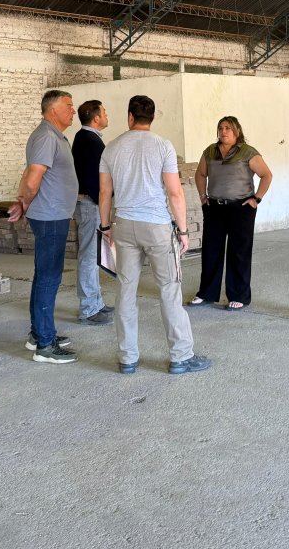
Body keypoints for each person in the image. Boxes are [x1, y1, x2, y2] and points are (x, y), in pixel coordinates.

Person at [98, 95, 210, 375]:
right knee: (169, 289)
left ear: (130, 117)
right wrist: (183, 231)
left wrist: (106, 227)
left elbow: (105, 192)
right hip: (157, 226)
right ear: (152, 117)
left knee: (125, 290)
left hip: (124, 225)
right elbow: (175, 192)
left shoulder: (111, 148)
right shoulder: (163, 146)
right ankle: (180, 356)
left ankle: (127, 358)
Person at [8, 89, 79, 363]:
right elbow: (32, 178)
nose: (73, 110)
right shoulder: (47, 136)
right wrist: (24, 202)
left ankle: (39, 334)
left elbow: (30, 175)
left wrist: (23, 202)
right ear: (53, 110)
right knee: (49, 278)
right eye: (68, 105)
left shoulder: (53, 136)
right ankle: (45, 346)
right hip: (50, 217)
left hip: (53, 214)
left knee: (44, 277)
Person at [190, 116, 273, 310]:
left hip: (241, 208)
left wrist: (257, 198)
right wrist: (203, 196)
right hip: (214, 207)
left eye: (228, 128)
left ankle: (239, 296)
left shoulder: (247, 152)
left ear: (237, 131)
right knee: (211, 251)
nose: (223, 131)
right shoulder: (210, 151)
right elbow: (200, 174)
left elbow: (266, 175)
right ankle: (206, 293)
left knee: (239, 253)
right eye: (221, 128)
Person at [71, 100, 113, 325]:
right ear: (96, 118)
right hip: (90, 205)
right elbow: (92, 179)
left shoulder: (86, 138)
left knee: (94, 255)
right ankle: (88, 309)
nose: (107, 115)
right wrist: (103, 202)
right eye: (104, 112)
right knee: (89, 256)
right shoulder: (90, 141)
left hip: (90, 203)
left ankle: (96, 302)